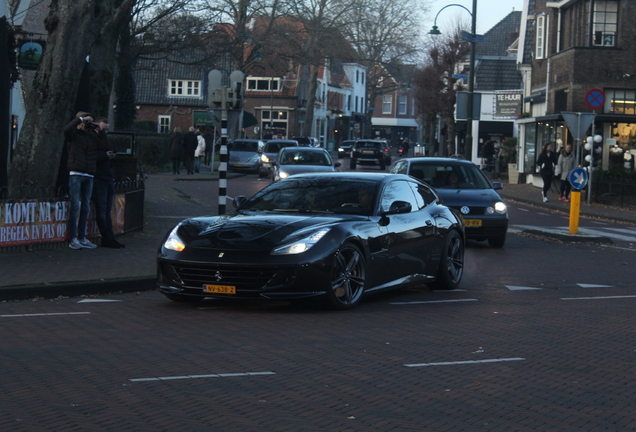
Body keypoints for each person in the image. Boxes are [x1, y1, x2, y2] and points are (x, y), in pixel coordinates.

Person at [64, 112, 99, 250]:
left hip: (89, 174)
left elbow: (103, 144)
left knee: (85, 206)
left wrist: (99, 130)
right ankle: (73, 238)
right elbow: (66, 129)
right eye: (86, 121)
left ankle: (82, 237)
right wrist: (80, 119)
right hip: (76, 173)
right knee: (75, 206)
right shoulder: (73, 135)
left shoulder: (91, 136)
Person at [93, 117, 125, 249]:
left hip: (107, 177)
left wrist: (112, 175)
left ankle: (109, 236)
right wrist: (106, 156)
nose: (103, 132)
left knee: (106, 210)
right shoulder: (92, 141)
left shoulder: (104, 141)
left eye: (105, 130)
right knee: (102, 209)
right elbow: (92, 158)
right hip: (99, 178)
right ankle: (106, 237)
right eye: (101, 129)